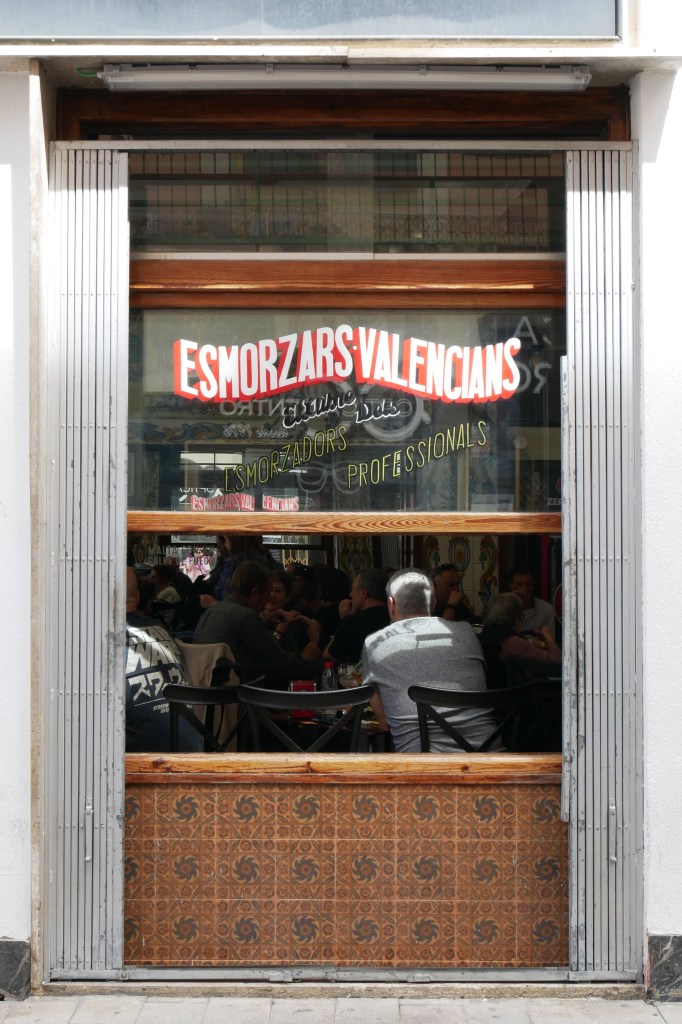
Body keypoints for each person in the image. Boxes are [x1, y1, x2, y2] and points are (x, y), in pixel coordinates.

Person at [361, 569, 501, 753]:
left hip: (423, 769)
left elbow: (385, 723)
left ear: (391, 604)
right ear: (434, 603)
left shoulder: (374, 644)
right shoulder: (466, 632)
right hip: (489, 759)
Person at [193, 560, 321, 676]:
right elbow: (278, 662)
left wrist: (264, 622)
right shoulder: (244, 616)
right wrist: (304, 659)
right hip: (237, 694)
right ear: (254, 593)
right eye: (268, 592)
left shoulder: (214, 610)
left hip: (206, 691)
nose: (268, 599)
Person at [125, 567, 202, 753]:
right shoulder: (160, 629)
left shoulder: (101, 641)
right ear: (137, 597)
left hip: (145, 763)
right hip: (191, 753)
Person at [478, 592, 562, 687]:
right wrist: (548, 637)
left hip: (490, 695)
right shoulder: (514, 643)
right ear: (516, 618)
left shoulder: (482, 637)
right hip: (517, 698)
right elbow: (559, 665)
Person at [323, 567, 390, 666]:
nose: (350, 594)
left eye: (353, 589)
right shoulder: (396, 616)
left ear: (363, 592)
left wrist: (344, 620)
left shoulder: (353, 621)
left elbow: (328, 657)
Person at [508, 566, 556, 638]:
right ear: (510, 585)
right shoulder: (502, 608)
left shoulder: (546, 609)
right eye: (519, 584)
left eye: (528, 584)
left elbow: (549, 641)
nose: (524, 589)